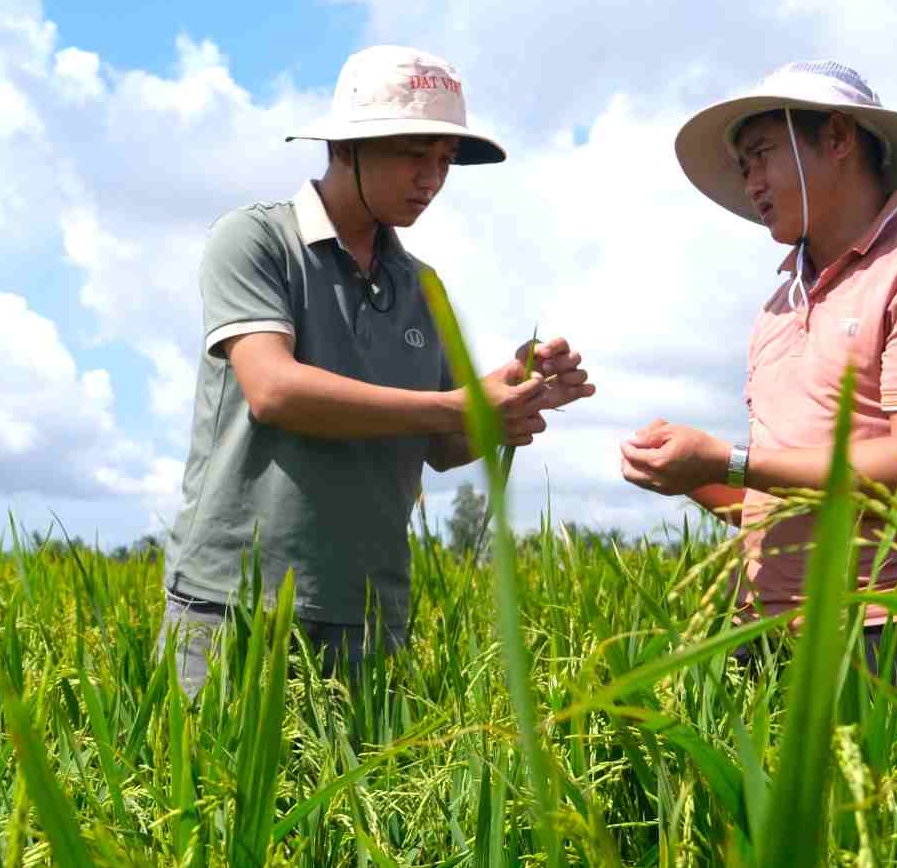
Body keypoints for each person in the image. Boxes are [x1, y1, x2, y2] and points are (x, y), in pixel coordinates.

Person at [163, 45, 595, 698]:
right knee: (216, 794)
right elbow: (274, 389)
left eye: (444, 162)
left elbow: (446, 447)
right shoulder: (255, 241)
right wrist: (459, 404)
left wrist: (513, 390)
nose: (431, 179)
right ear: (344, 149)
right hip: (233, 604)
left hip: (367, 618)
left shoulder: (422, 286)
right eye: (412, 154)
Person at [619, 60, 897, 672]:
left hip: (886, 630)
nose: (751, 182)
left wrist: (727, 460)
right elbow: (783, 494)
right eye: (743, 167)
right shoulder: (781, 305)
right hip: (762, 632)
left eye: (761, 154)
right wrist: (690, 474)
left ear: (835, 138)